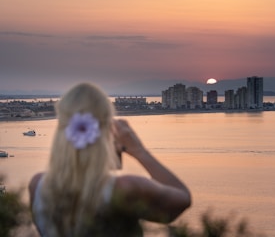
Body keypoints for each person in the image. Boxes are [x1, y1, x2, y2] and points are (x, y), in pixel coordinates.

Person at [29, 83, 191, 236]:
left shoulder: (37, 186)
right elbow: (183, 199)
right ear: (108, 132)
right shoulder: (125, 188)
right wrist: (139, 151)